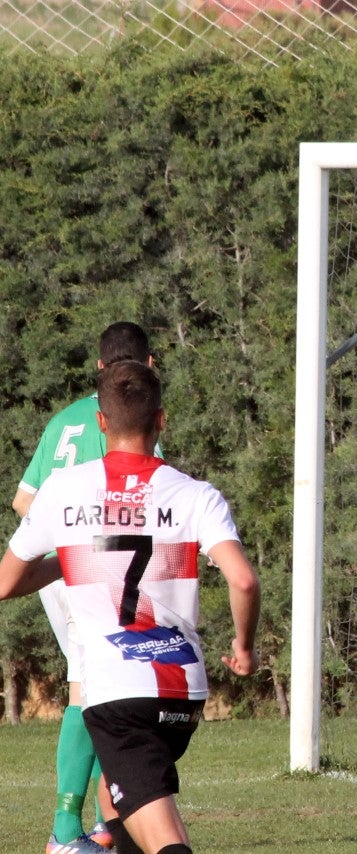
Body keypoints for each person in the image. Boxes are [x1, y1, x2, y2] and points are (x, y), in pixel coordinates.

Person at [0, 359, 261, 854]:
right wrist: (243, 647)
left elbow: (6, 582)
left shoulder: (65, 491)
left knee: (159, 831)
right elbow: (243, 581)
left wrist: (68, 562)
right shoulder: (196, 495)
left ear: (101, 422)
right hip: (183, 691)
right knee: (116, 802)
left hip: (116, 689)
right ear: (161, 420)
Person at [13, 322, 157, 854]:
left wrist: (62, 531)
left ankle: (105, 824)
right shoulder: (126, 415)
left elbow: (23, 502)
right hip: (87, 569)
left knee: (101, 685)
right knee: (89, 688)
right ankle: (66, 831)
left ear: (98, 366)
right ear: (150, 362)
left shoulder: (64, 419)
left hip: (52, 565)